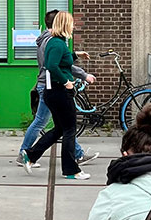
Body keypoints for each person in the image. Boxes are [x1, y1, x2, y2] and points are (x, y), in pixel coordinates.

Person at [19, 9, 98, 168]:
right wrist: (80, 76)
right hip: (52, 86)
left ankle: (31, 155)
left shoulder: (48, 39)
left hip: (48, 85)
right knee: (54, 124)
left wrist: (75, 54)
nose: (73, 25)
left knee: (62, 126)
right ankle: (26, 154)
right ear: (59, 23)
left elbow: (62, 59)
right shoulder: (53, 41)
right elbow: (57, 66)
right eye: (70, 22)